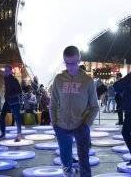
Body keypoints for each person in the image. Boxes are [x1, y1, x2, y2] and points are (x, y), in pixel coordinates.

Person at [50, 45, 99, 177]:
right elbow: (53, 103)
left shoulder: (88, 81)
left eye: (73, 63)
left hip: (81, 126)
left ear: (79, 60)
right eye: (67, 63)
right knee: (65, 160)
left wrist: (86, 124)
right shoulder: (58, 79)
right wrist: (54, 123)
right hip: (61, 126)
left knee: (84, 160)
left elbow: (95, 106)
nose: (70, 66)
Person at [0, 65, 23, 142]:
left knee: (17, 117)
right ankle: (3, 133)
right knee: (2, 116)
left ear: (10, 71)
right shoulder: (6, 79)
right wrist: (6, 95)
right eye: (5, 70)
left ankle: (19, 134)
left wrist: (10, 95)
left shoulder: (14, 79)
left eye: (6, 70)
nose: (5, 71)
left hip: (15, 101)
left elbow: (19, 91)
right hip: (8, 101)